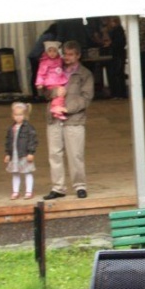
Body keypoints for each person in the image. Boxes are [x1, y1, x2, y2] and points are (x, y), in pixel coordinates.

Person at [42, 41, 94, 200]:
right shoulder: (54, 68)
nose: (67, 57)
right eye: (65, 54)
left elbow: (86, 98)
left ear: (78, 55)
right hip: (54, 118)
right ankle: (58, 187)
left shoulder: (85, 74)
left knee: (75, 154)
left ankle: (80, 185)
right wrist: (54, 92)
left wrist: (67, 108)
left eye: (71, 54)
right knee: (54, 154)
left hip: (74, 119)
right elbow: (44, 92)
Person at [3, 102, 38, 200]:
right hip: (14, 154)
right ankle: (15, 191)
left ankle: (29, 191)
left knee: (27, 172)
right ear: (13, 115)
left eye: (21, 115)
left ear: (25, 115)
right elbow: (8, 141)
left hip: (24, 154)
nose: (18, 117)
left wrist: (31, 152)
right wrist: (8, 153)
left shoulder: (29, 128)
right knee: (15, 173)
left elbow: (33, 140)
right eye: (16, 115)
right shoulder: (11, 128)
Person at [35, 41, 68, 121]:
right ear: (46, 52)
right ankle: (55, 108)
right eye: (50, 51)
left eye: (54, 51)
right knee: (61, 92)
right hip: (51, 82)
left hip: (59, 80)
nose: (52, 53)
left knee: (61, 94)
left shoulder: (59, 59)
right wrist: (39, 83)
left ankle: (57, 110)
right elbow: (41, 73)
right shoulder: (45, 62)